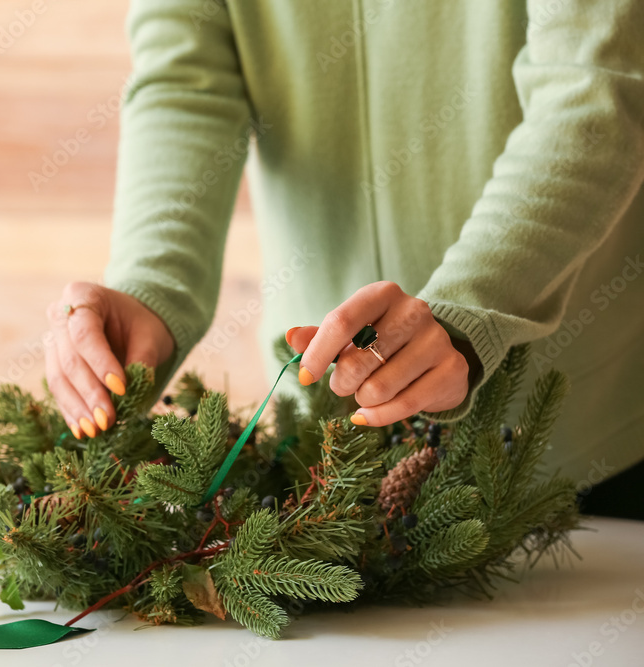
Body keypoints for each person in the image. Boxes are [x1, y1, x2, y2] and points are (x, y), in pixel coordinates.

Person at [43, 1, 644, 519]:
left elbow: (590, 88)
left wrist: (469, 310)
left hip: (575, 436)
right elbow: (184, 84)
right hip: (320, 450)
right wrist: (152, 284)